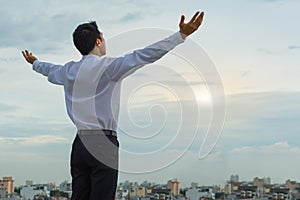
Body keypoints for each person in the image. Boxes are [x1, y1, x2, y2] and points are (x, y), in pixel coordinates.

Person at [22, 11, 205, 200]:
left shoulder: (68, 71)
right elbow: (145, 55)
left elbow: (48, 69)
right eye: (102, 36)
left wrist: (34, 62)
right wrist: (180, 36)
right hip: (103, 142)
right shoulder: (108, 67)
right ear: (98, 41)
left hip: (80, 144)